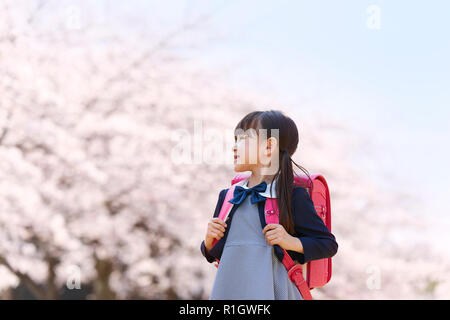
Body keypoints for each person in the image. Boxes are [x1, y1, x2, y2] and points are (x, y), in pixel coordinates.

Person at [200, 110, 338, 300]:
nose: (234, 147)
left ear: (268, 146)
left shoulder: (291, 196)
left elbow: (327, 244)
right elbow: (221, 252)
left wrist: (288, 240)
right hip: (231, 291)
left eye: (242, 139)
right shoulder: (228, 196)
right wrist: (208, 242)